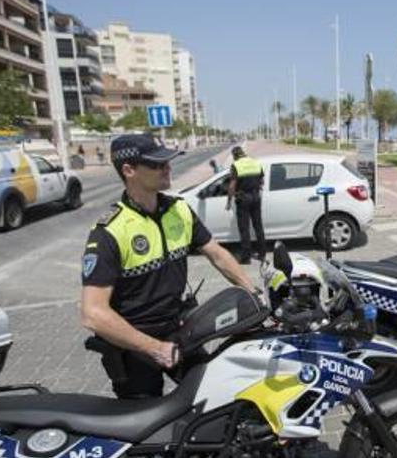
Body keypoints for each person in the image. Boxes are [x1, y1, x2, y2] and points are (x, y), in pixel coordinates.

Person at [79, 133, 257, 399]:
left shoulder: (179, 210)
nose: (167, 168)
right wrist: (154, 348)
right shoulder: (110, 231)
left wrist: (254, 294)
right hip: (133, 345)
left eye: (167, 162)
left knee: (212, 399)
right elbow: (92, 313)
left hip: (179, 328)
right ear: (129, 170)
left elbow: (217, 254)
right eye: (157, 164)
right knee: (146, 426)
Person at [227, 145, 266, 264]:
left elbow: (232, 186)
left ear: (234, 155)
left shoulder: (236, 165)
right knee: (258, 226)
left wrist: (229, 200)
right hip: (256, 197)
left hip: (243, 198)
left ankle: (246, 257)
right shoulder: (255, 163)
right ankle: (262, 254)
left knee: (244, 229)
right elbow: (262, 181)